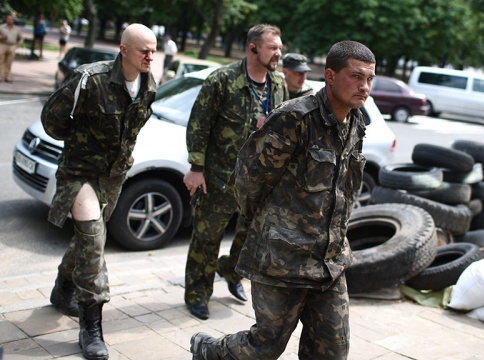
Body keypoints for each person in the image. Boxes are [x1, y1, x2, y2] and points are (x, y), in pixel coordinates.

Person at [190, 40, 375, 360]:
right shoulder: (295, 118)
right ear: (330, 76)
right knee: (265, 346)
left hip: (329, 263)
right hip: (283, 259)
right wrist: (270, 228)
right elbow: (249, 178)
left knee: (332, 351)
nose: (365, 87)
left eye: (370, 79)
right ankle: (209, 351)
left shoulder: (356, 122)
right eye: (356, 77)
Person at [41, 23, 157, 360]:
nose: (150, 56)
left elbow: (132, 131)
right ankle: (92, 328)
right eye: (143, 50)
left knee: (85, 240)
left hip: (113, 177)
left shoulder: (150, 85)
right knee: (94, 239)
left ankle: (63, 291)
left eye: (153, 49)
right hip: (80, 173)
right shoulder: (89, 79)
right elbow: (52, 120)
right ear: (123, 50)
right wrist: (81, 145)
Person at [182, 24, 287, 321]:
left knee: (251, 238)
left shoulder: (278, 84)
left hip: (259, 181)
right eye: (272, 47)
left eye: (280, 47)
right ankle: (197, 295)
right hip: (219, 177)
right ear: (253, 48)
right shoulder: (223, 80)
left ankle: (231, 272)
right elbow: (199, 125)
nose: (278, 53)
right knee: (207, 239)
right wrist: (196, 168)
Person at [0, 15, 24, 82]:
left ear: (13, 20)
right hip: (2, 45)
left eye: (11, 19)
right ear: (6, 20)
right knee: (0, 61)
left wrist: (17, 45)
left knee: (9, 62)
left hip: (12, 46)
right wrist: (1, 37)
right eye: (8, 19)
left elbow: (21, 38)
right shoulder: (1, 27)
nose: (9, 20)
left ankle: (7, 77)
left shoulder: (16, 29)